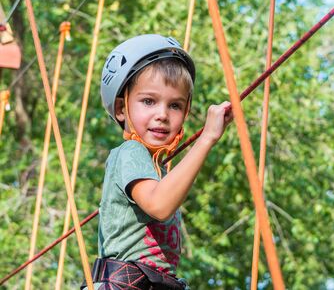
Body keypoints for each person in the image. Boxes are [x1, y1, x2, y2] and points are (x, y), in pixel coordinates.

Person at [82, 34, 232, 289]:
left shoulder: (157, 169)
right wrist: (207, 138)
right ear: (121, 109)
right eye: (148, 101)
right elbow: (160, 205)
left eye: (175, 105)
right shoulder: (130, 151)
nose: (162, 114)